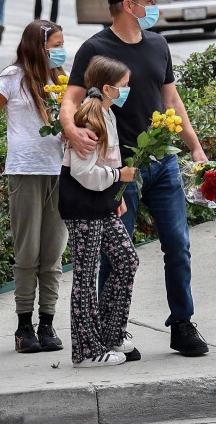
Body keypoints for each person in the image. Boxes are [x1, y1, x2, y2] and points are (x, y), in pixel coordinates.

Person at [60, 0, 210, 357]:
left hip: (163, 164)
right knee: (115, 253)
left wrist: (194, 148)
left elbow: (172, 102)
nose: (154, 8)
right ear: (129, 6)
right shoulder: (95, 48)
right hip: (119, 170)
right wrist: (72, 132)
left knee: (178, 245)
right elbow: (71, 100)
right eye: (150, 1)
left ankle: (182, 323)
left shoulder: (158, 45)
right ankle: (112, 332)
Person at [0, 20, 67, 353]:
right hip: (25, 173)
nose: (61, 50)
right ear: (39, 46)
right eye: (56, 44)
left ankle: (47, 323)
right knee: (27, 254)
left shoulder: (62, 79)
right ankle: (23, 327)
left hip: (60, 173)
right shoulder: (11, 78)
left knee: (53, 253)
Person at [59, 56, 139, 367]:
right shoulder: (91, 118)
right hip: (83, 208)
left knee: (126, 259)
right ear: (107, 88)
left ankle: (110, 332)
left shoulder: (107, 114)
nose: (127, 90)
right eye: (123, 86)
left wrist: (114, 194)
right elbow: (84, 173)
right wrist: (120, 178)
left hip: (101, 204)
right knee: (85, 274)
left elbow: (105, 164)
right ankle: (87, 350)